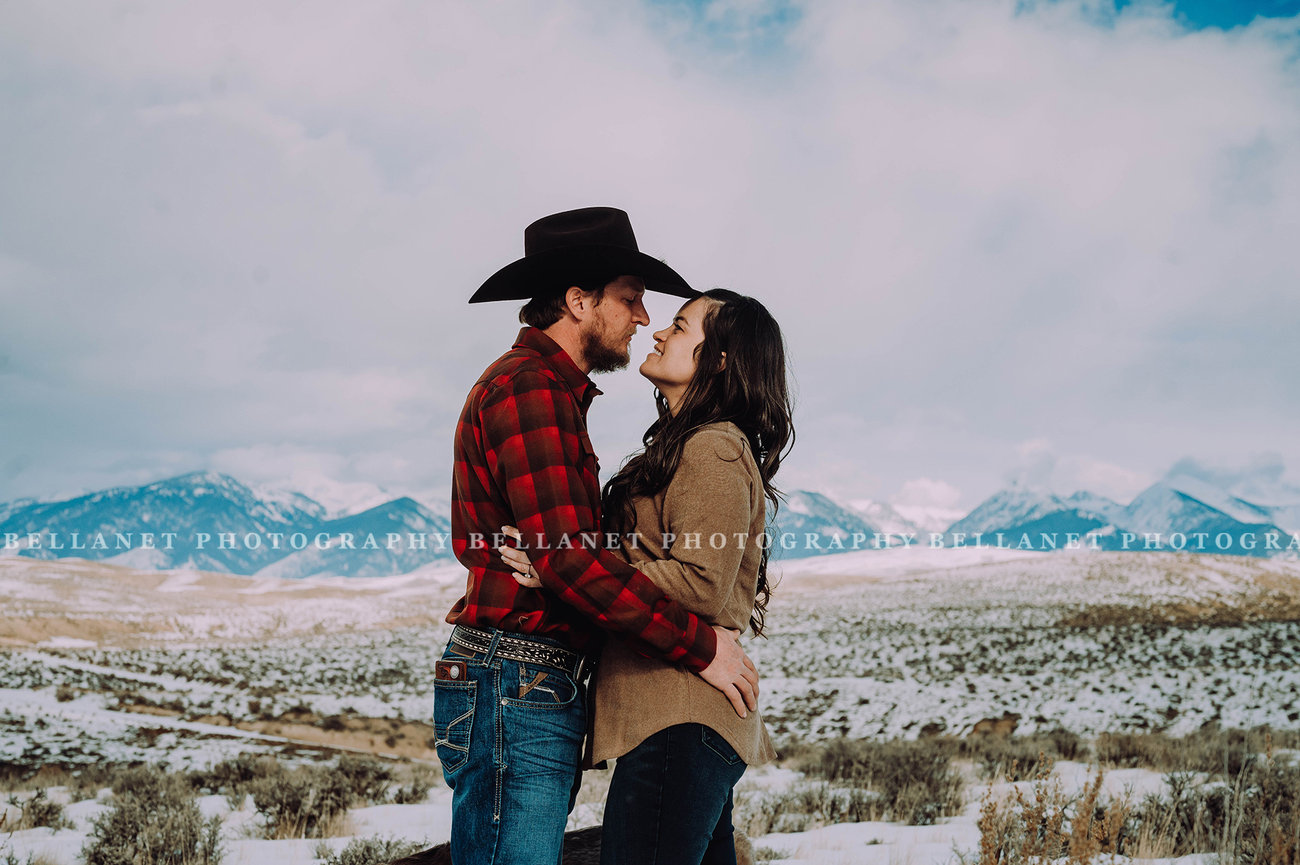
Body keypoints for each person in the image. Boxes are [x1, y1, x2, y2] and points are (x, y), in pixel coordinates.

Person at [437, 207, 761, 865]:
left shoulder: (550, 394)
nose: (643, 319)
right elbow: (573, 569)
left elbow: (569, 560)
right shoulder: (530, 391)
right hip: (517, 676)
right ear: (579, 301)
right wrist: (702, 647)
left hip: (523, 679)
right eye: (631, 299)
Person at [501, 287, 794, 865]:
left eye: (681, 327)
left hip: (680, 716)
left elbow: (703, 580)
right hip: (679, 717)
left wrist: (570, 568)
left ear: (723, 359)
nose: (658, 331)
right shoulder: (688, 445)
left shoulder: (713, 448)